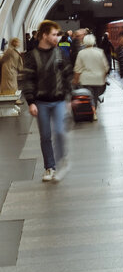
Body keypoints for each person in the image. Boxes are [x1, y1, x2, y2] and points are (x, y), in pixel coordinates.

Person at [18, 20, 74, 182]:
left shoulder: (60, 54)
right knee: (45, 136)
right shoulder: (32, 56)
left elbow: (67, 76)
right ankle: (50, 167)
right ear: (44, 35)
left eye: (58, 35)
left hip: (58, 101)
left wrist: (69, 97)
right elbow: (29, 80)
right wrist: (31, 102)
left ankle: (62, 160)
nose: (57, 38)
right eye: (54, 35)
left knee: (60, 131)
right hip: (41, 102)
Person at [73, 33, 109, 103]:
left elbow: (77, 70)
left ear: (84, 42)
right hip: (98, 80)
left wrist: (75, 81)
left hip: (86, 81)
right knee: (95, 98)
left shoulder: (81, 53)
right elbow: (106, 68)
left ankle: (91, 109)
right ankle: (94, 109)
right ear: (94, 41)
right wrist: (103, 79)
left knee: (87, 99)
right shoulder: (100, 52)